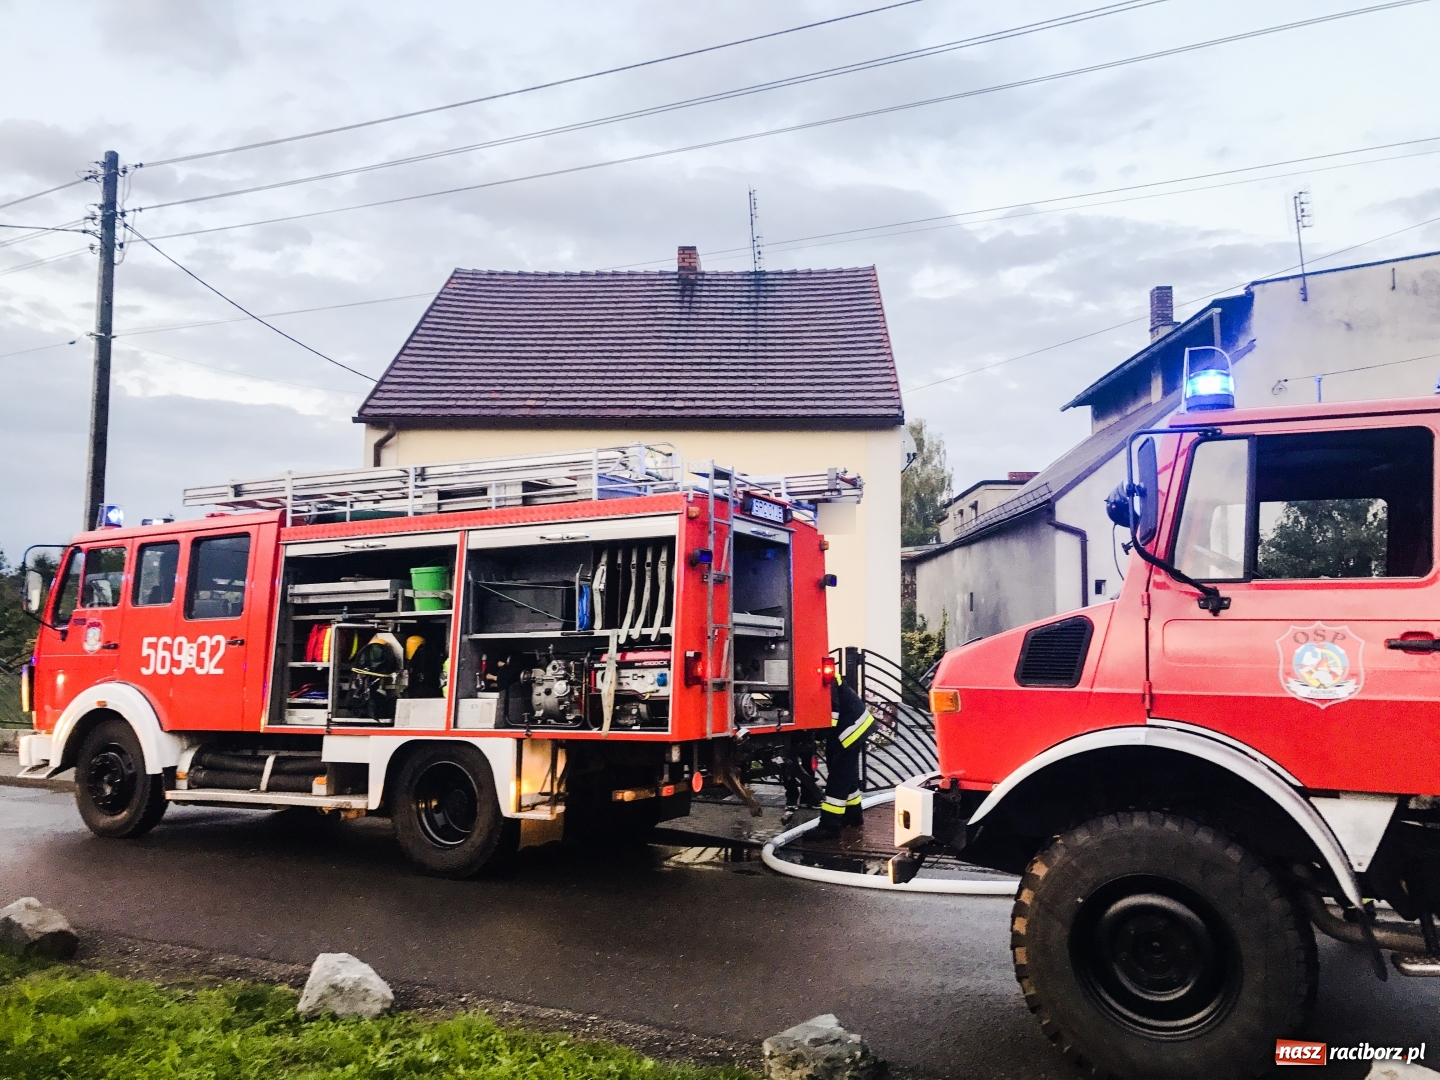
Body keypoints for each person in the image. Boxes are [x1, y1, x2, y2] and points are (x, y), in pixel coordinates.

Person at [811, 671, 876, 840]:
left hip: (850, 730)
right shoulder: (821, 673)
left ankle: (829, 826)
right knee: (848, 776)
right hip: (850, 727)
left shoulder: (821, 676)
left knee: (838, 778)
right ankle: (853, 815)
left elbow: (832, 711)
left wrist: (818, 733)